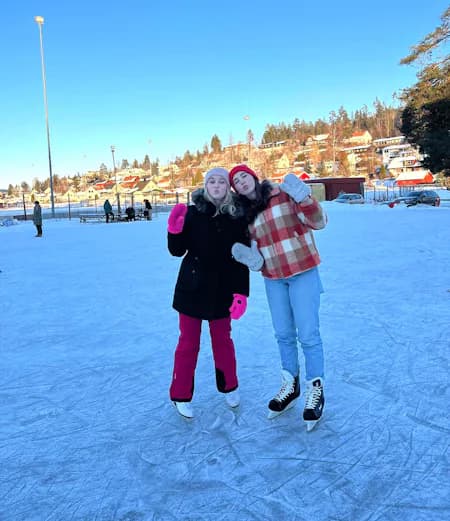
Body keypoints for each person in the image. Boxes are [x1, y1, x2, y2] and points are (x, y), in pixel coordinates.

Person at [229, 164, 327, 431]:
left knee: (308, 334)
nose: (241, 181)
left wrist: (306, 200)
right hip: (273, 278)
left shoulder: (282, 194)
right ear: (235, 189)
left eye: (243, 176)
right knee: (283, 334)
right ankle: (290, 384)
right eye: (236, 181)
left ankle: (315, 389)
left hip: (303, 270)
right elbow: (253, 253)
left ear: (253, 177)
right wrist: (254, 261)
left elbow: (319, 222)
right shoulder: (245, 215)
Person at [167, 167, 250, 419]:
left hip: (223, 289)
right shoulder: (192, 213)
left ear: (227, 187)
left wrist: (241, 293)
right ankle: (180, 394)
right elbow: (176, 251)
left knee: (223, 341)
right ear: (205, 186)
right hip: (192, 288)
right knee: (188, 343)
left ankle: (230, 387)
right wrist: (174, 229)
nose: (216, 186)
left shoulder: (236, 217)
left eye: (221, 182)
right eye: (211, 181)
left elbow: (241, 257)